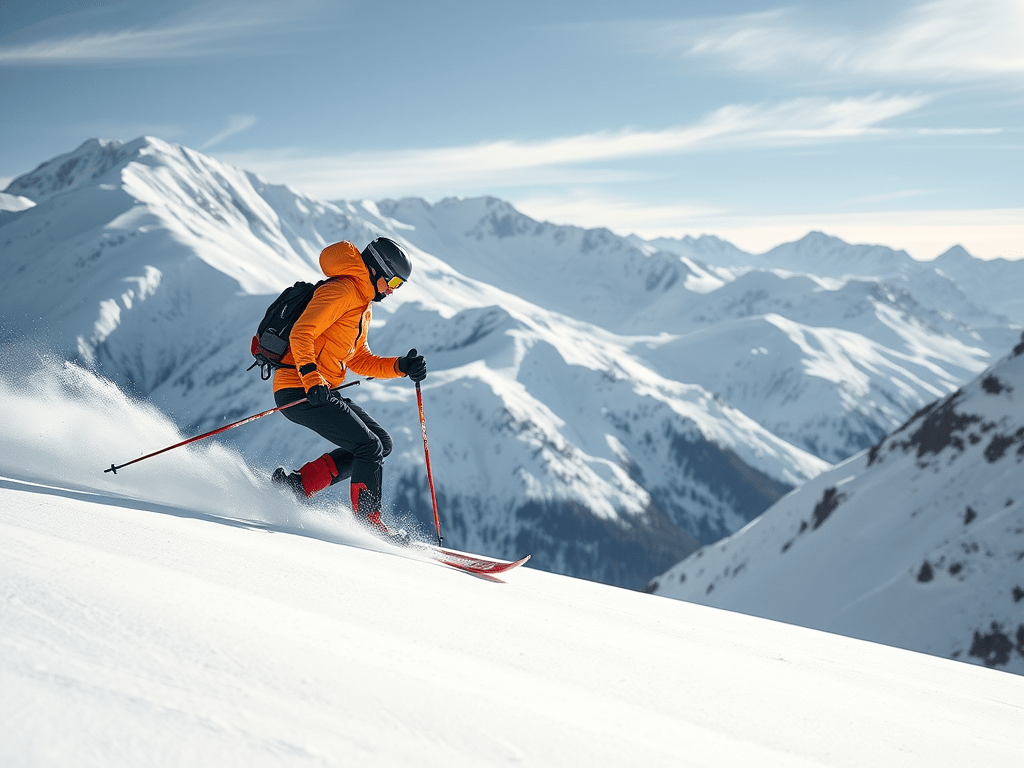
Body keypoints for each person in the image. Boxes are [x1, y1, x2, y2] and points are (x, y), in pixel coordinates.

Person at [270, 237, 427, 535]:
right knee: (368, 446)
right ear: (376, 269)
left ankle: (297, 486)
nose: (393, 289)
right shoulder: (342, 291)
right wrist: (312, 378)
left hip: (319, 388)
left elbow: (360, 359)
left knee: (382, 443)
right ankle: (368, 523)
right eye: (393, 280)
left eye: (400, 284)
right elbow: (302, 333)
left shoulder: (362, 304)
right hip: (300, 387)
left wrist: (400, 367)